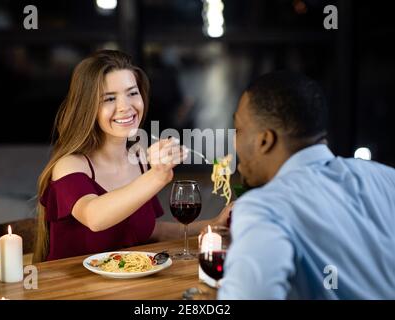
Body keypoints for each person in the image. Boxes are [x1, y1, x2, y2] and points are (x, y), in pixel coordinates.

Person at [33, 50, 230, 262]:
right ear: (88, 107)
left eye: (132, 93)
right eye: (109, 98)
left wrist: (216, 224)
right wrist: (157, 175)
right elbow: (95, 217)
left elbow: (151, 231)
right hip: (71, 290)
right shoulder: (70, 165)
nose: (125, 107)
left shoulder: (139, 161)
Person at [218, 71, 395, 299]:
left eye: (238, 130)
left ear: (265, 140)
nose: (234, 141)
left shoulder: (264, 208)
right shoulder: (386, 178)